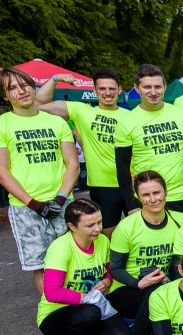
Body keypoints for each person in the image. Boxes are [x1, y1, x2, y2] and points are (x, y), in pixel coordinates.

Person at [0, 67, 80, 293]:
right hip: (26, 208)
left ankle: (77, 304)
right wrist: (34, 204)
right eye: (12, 88)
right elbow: (2, 173)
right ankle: (52, 309)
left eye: (24, 85)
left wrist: (60, 198)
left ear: (33, 86)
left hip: (62, 202)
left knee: (74, 259)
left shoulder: (57, 122)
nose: (21, 91)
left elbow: (73, 164)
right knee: (42, 266)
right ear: (5, 96)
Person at [37, 199, 131, 335]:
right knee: (89, 312)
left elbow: (110, 272)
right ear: (72, 226)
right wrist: (87, 298)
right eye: (90, 225)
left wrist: (106, 281)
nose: (98, 229)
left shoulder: (102, 241)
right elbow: (52, 293)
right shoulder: (61, 248)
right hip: (55, 314)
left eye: (99, 222)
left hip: (92, 308)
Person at [108, 171, 183, 335]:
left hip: (163, 285)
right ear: (138, 197)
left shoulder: (179, 220)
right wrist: (138, 283)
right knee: (154, 296)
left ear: (165, 191)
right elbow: (115, 269)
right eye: (146, 195)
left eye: (157, 192)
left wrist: (172, 282)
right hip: (127, 290)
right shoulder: (126, 227)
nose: (153, 199)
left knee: (167, 292)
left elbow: (179, 262)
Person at [34, 68, 129, 236]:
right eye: (102, 89)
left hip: (132, 183)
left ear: (119, 90)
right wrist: (55, 78)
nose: (108, 93)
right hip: (102, 185)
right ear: (94, 90)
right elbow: (39, 104)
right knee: (107, 235)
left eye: (112, 89)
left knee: (140, 232)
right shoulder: (82, 111)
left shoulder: (131, 116)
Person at [115, 64, 183, 216]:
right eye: (147, 87)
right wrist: (131, 204)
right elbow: (122, 168)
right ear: (136, 88)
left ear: (165, 87)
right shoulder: (126, 122)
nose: (153, 92)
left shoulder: (182, 115)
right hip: (149, 199)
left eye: (158, 87)